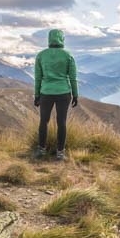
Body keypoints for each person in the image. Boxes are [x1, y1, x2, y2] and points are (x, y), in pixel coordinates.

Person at [34, 29, 78, 160]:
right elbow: (73, 78)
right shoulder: (68, 55)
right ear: (62, 39)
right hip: (64, 93)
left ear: (49, 39)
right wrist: (75, 95)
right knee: (62, 122)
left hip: (46, 93)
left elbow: (38, 78)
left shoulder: (41, 55)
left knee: (43, 121)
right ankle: (60, 153)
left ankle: (41, 150)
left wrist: (37, 95)